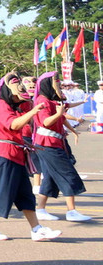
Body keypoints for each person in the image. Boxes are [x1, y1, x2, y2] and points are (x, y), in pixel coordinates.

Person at [0, 71, 62, 242]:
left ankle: (36, 229)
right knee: (3, 190)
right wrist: (33, 111)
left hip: (15, 153)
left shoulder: (13, 107)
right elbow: (13, 125)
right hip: (4, 154)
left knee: (25, 194)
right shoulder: (1, 105)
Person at [32, 71, 91, 222]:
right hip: (47, 143)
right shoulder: (42, 101)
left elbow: (65, 110)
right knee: (67, 173)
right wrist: (58, 114)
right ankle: (71, 211)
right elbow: (46, 122)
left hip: (54, 142)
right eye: (56, 82)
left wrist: (72, 127)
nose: (58, 84)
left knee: (50, 178)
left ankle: (40, 209)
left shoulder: (52, 100)